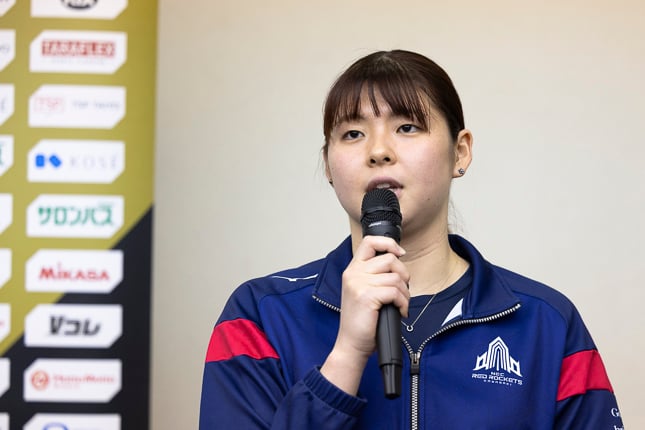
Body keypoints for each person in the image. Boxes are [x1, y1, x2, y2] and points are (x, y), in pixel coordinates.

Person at [199, 50, 624, 429]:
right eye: (352, 134)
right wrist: (346, 356)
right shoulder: (259, 317)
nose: (378, 151)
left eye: (407, 126)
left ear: (460, 151)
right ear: (327, 163)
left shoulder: (546, 324)